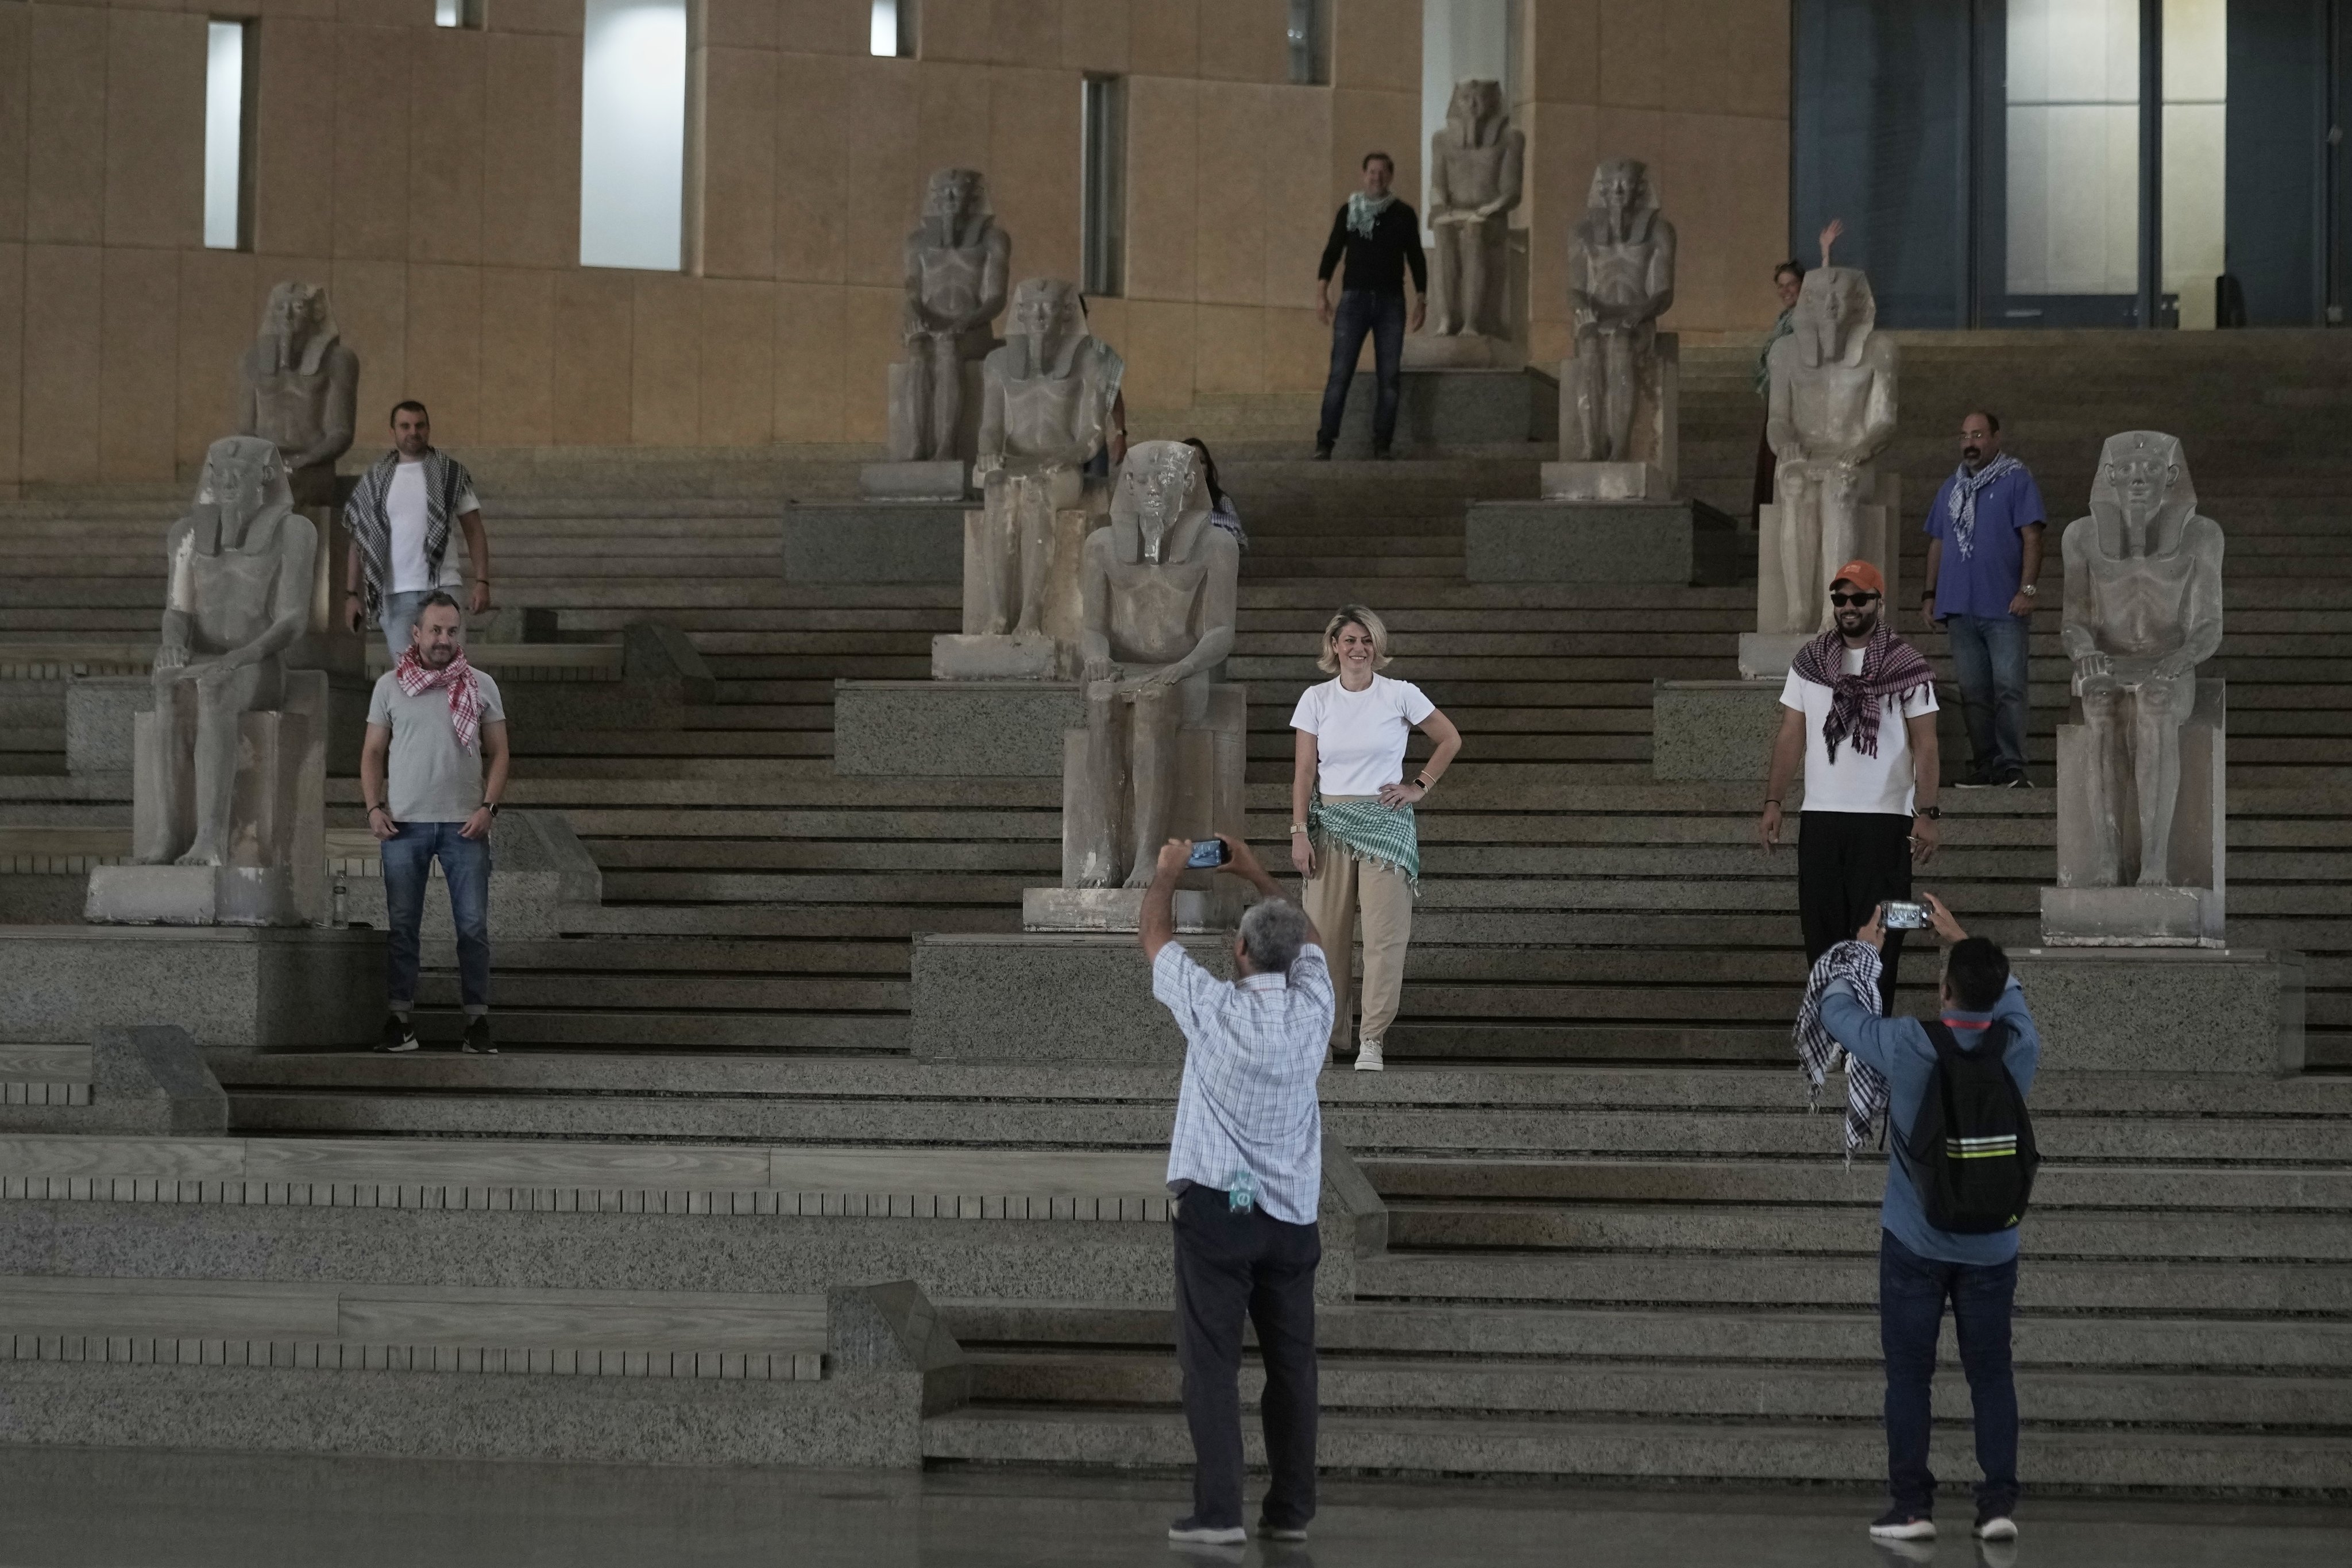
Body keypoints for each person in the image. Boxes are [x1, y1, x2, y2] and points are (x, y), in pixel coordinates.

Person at [1817, 893, 2038, 1546]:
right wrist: (1960, 939)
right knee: (1991, 1373)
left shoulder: (1911, 1043)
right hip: (1993, 1247)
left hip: (1915, 1240)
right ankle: (1998, 1504)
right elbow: (2011, 997)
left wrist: (1868, 950)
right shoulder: (2019, 1046)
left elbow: (1837, 1013)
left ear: (1942, 990)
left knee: (1909, 1375)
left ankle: (1911, 1507)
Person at [1140, 831, 1334, 1548]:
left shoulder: (1214, 1010)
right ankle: (1291, 1512)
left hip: (1221, 1212)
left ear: (1239, 953)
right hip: (1289, 1218)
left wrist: (1165, 874)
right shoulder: (1317, 1010)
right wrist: (1255, 870)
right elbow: (1306, 939)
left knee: (1212, 1365)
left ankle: (1219, 1512)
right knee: (1292, 1368)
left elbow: (1155, 939)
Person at [1758, 561, 1940, 1013]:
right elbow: (1790, 734)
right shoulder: (1809, 663)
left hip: (1884, 821)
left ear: (1878, 602)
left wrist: (1928, 812)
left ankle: (1871, 1033)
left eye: (1858, 598)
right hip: (1821, 818)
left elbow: (1926, 744)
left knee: (1881, 935)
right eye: (1839, 599)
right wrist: (1774, 801)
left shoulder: (1907, 665)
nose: (1848, 607)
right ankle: (1834, 1029)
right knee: (1821, 932)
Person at [1289, 605, 1462, 1071]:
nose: (1358, 649)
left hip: (1386, 825)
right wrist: (1299, 831)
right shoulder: (1316, 699)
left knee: (1385, 939)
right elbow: (1305, 771)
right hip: (1330, 825)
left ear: (1377, 647)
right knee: (1324, 939)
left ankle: (1372, 1040)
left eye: (1366, 641)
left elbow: (1449, 739)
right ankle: (1322, 1039)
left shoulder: (1399, 694)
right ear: (1333, 647)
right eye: (1349, 640)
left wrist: (1418, 787)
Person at [364, 592, 509, 1055]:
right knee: (404, 928)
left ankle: (477, 1023)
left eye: (451, 631)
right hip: (404, 825)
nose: (444, 639)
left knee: (472, 928)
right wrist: (373, 807)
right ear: (416, 633)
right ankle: (400, 1021)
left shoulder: (480, 684)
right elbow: (371, 753)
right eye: (435, 630)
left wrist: (489, 806)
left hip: (464, 825)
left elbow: (500, 752)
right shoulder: (390, 686)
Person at [1922, 410, 2046, 789]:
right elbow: (1938, 542)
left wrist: (2027, 590)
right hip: (1960, 607)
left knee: (2008, 686)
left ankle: (2011, 765)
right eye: (1963, 437)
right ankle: (1985, 765)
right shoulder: (1950, 488)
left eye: (1977, 435)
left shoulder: (2016, 480)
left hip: (2004, 607)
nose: (1969, 444)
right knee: (1974, 692)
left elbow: (2032, 538)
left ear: (1995, 438)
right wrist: (1929, 593)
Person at [342, 401, 492, 659]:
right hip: (395, 593)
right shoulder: (374, 481)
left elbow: (474, 530)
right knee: (407, 679)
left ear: (429, 429)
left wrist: (482, 581)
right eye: (405, 426)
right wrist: (352, 594)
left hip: (444, 586)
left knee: (452, 673)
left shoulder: (451, 474)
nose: (413, 432)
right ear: (393, 432)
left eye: (420, 425)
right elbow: (360, 540)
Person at [1312, 153, 1428, 461]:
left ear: (1390, 176)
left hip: (1391, 302)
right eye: (1371, 172)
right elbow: (1333, 251)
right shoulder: (1349, 211)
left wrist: (1422, 297)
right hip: (1354, 300)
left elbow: (1416, 256)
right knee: (1340, 374)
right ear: (1364, 175)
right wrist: (1322, 292)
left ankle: (1382, 443)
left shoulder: (1403, 214)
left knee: (1389, 376)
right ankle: (1325, 442)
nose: (1376, 177)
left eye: (1382, 172)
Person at [1751, 219, 1843, 525]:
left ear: (1802, 285)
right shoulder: (1783, 320)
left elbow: (1826, 291)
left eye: (1791, 284)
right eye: (1781, 285)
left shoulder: (1810, 311)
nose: (1786, 290)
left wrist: (1825, 252)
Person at [1182, 437, 1246, 549]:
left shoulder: (1222, 501)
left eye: (1201, 462)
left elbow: (1237, 544)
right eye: (1190, 461)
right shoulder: (1167, 501)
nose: (1196, 467)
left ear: (1209, 468)